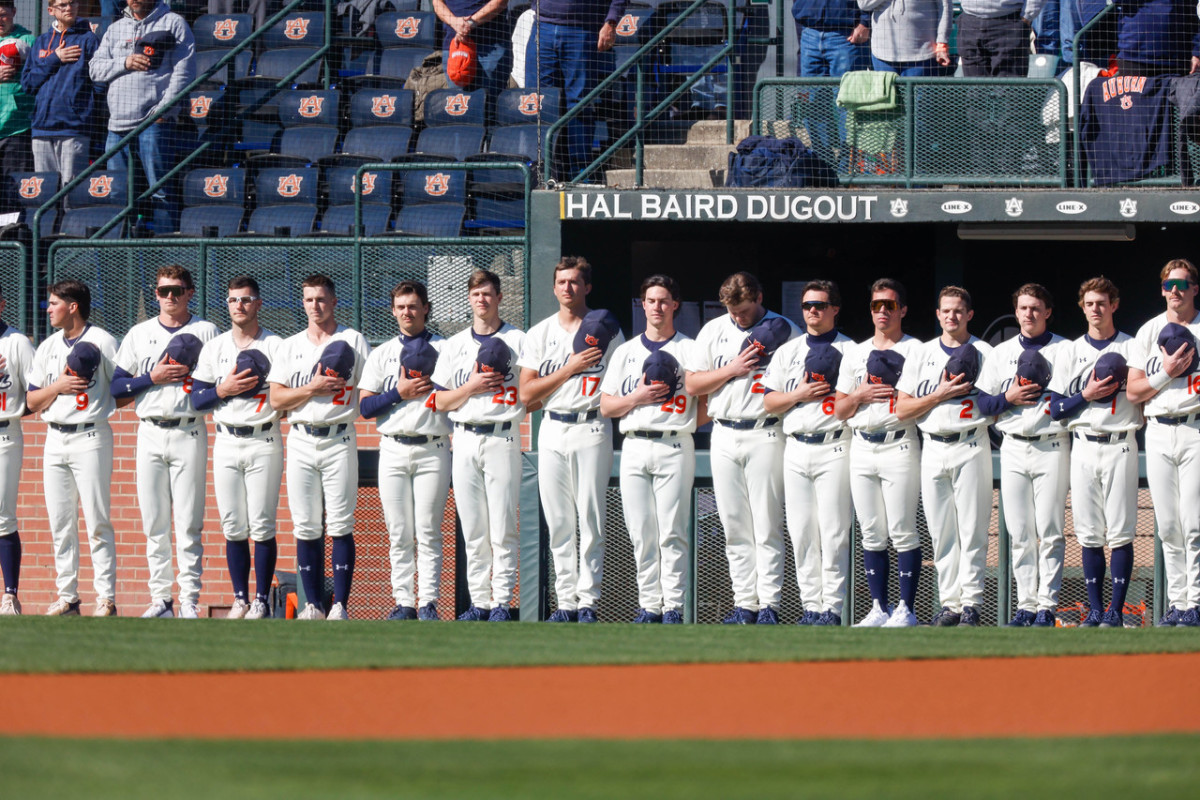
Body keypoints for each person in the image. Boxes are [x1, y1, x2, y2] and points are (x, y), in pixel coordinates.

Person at [686, 272, 799, 625]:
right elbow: (692, 383)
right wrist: (732, 369)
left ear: (760, 298)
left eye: (746, 310)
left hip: (765, 432)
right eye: (734, 311)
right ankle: (744, 603)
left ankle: (770, 604)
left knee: (766, 524)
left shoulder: (785, 329)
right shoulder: (715, 329)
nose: (740, 317)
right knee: (734, 525)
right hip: (723, 430)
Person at [518, 256, 624, 623]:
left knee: (591, 518)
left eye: (575, 282)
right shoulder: (540, 333)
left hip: (593, 425)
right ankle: (565, 602)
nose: (568, 288)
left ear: (587, 287)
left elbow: (620, 385)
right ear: (553, 287)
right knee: (559, 520)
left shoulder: (606, 327)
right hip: (552, 426)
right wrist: (569, 368)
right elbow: (526, 395)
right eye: (562, 282)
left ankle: (588, 602)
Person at [113, 265, 217, 618]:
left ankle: (189, 598)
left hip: (189, 428)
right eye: (162, 291)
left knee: (189, 520)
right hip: (150, 430)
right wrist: (151, 377)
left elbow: (218, 383)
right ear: (155, 294)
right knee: (154, 521)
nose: (169, 297)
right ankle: (161, 599)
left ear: (190, 292)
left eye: (176, 290)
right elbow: (115, 388)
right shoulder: (139, 333)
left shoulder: (206, 331)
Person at [268, 275, 370, 621]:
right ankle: (313, 604)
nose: (315, 305)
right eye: (309, 299)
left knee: (341, 522)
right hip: (300, 436)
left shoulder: (352, 339)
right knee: (306, 525)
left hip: (339, 434)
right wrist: (312, 388)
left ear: (334, 301)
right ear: (302, 302)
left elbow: (367, 387)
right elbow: (276, 398)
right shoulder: (290, 345)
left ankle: (340, 604)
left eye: (322, 299)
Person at [600, 274, 701, 624]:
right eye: (651, 300)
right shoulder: (626, 351)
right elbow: (607, 407)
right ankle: (649, 606)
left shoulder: (690, 348)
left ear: (675, 305)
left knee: (672, 530)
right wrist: (637, 398)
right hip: (634, 444)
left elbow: (707, 402)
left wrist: (686, 421)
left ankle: (672, 606)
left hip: (674, 441)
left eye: (664, 301)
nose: (657, 306)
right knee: (642, 532)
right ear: (642, 305)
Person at [895, 287, 994, 627]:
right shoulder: (922, 353)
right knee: (942, 532)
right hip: (933, 445)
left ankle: (972, 603)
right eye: (946, 310)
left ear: (969, 314)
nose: (951, 316)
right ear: (937, 314)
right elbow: (902, 407)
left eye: (958, 311)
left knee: (972, 529)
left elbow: (997, 407)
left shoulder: (984, 351)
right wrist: (939, 394)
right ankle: (949, 603)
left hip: (971, 442)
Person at [431, 269, 526, 621]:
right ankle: (479, 603)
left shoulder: (520, 339)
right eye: (476, 295)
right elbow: (439, 402)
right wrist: (471, 386)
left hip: (503, 432)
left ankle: (501, 602)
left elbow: (533, 392)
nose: (482, 300)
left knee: (503, 525)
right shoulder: (454, 344)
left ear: (499, 297)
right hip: (465, 436)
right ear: (469, 299)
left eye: (488, 294)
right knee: (473, 529)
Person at [1048, 277, 1141, 628]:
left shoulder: (1133, 346)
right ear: (1082, 307)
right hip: (1083, 443)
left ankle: (1116, 612)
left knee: (1120, 531)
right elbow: (1055, 409)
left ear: (1114, 305)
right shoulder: (1070, 351)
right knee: (1087, 532)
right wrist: (1085, 394)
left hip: (1120, 441)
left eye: (1102, 302)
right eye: (1090, 303)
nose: (1096, 309)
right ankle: (1096, 610)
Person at [976, 283, 1070, 627]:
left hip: (1051, 443)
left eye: (1035, 308)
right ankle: (1026, 605)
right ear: (1015, 313)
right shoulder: (1000, 352)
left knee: (1050, 528)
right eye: (1023, 308)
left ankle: (1047, 604)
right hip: (1014, 444)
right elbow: (983, 404)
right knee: (1020, 532)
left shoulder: (1065, 349)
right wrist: (1009, 398)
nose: (1029, 314)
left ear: (1047, 312)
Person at [761, 280, 854, 626]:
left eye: (819, 304)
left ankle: (832, 607)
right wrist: (799, 394)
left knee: (832, 532)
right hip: (796, 445)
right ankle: (810, 606)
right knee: (801, 532)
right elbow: (769, 401)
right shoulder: (788, 350)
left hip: (834, 443)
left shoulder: (851, 350)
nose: (812, 310)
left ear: (834, 309)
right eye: (807, 305)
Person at [190, 276, 283, 620]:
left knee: (261, 522)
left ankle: (260, 598)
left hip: (263, 437)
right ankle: (240, 598)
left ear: (258, 304)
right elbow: (197, 399)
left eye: (246, 300)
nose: (238, 306)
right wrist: (224, 389)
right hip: (226, 439)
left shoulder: (276, 345)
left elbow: (286, 395)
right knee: (232, 524)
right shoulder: (215, 347)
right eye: (232, 300)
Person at [834, 278, 924, 627]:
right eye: (876, 305)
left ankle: (906, 609)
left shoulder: (917, 349)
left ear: (902, 309)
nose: (882, 311)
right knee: (871, 530)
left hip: (898, 440)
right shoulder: (855, 352)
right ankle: (878, 607)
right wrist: (858, 396)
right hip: (861, 443)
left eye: (889, 305)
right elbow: (840, 409)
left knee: (902, 529)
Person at [360, 281, 452, 622]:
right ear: (393, 310)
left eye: (412, 306)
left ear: (426, 308)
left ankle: (428, 602)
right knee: (398, 531)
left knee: (428, 529)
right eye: (400, 306)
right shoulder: (382, 352)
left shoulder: (446, 348)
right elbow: (365, 407)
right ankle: (404, 602)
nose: (406, 312)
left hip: (433, 446)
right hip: (394, 447)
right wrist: (398, 392)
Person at [26, 280, 119, 617]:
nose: (48, 309)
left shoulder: (103, 340)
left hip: (91, 434)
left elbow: (121, 387)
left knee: (97, 520)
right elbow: (32, 400)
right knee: (60, 522)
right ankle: (68, 596)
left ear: (73, 306)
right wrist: (59, 386)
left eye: (53, 303)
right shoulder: (49, 346)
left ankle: (105, 597)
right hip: (55, 437)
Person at [1126, 259, 1200, 626]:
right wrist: (1166, 373)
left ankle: (1195, 602)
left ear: (1194, 289)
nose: (1176, 291)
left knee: (1194, 523)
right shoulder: (1148, 331)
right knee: (1169, 524)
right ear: (1161, 289)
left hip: (1194, 428)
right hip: (1157, 430)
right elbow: (1133, 391)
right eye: (1170, 285)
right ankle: (1177, 602)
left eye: (1183, 285)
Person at [89, 0, 195, 233]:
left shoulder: (174, 23)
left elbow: (184, 73)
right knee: (118, 195)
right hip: (116, 126)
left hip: (153, 123)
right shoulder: (116, 28)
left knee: (160, 190)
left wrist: (163, 111)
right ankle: (120, 254)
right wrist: (125, 63)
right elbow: (94, 69)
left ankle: (166, 255)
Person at [525, 0, 623, 177]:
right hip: (543, 26)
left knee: (579, 104)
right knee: (540, 102)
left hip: (582, 29)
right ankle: (543, 170)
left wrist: (611, 22)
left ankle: (579, 171)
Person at [21, 0, 100, 190]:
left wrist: (84, 110)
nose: (69, 8)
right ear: (50, 10)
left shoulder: (89, 40)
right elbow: (28, 84)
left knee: (71, 192)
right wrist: (55, 58)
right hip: (41, 128)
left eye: (72, 3)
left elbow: (99, 84)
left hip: (74, 129)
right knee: (44, 192)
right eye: (62, 5)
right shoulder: (40, 41)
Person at [0, 284, 34, 615]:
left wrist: (12, 410)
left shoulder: (16, 343)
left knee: (2, 515)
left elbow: (35, 394)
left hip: (4, 433)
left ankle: (10, 594)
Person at [432, 0, 513, 111]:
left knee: (489, 107)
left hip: (490, 45)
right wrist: (454, 22)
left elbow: (500, 2)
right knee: (460, 107)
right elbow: (437, 3)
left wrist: (470, 23)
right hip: (455, 46)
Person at [856, 0, 952, 75]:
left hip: (922, 54)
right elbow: (864, 4)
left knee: (920, 100)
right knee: (887, 100)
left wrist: (942, 42)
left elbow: (944, 7)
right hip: (882, 54)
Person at [957, 0, 1046, 78]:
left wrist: (1027, 15)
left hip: (1010, 21)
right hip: (969, 22)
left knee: (1009, 91)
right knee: (975, 91)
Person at [0, 2, 35, 175]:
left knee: (14, 193)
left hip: (16, 127)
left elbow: (38, 77)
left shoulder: (27, 41)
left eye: (2, 15)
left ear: (14, 12)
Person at [794, 0, 870, 78]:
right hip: (809, 33)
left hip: (845, 35)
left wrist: (865, 22)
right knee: (810, 88)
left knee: (845, 88)